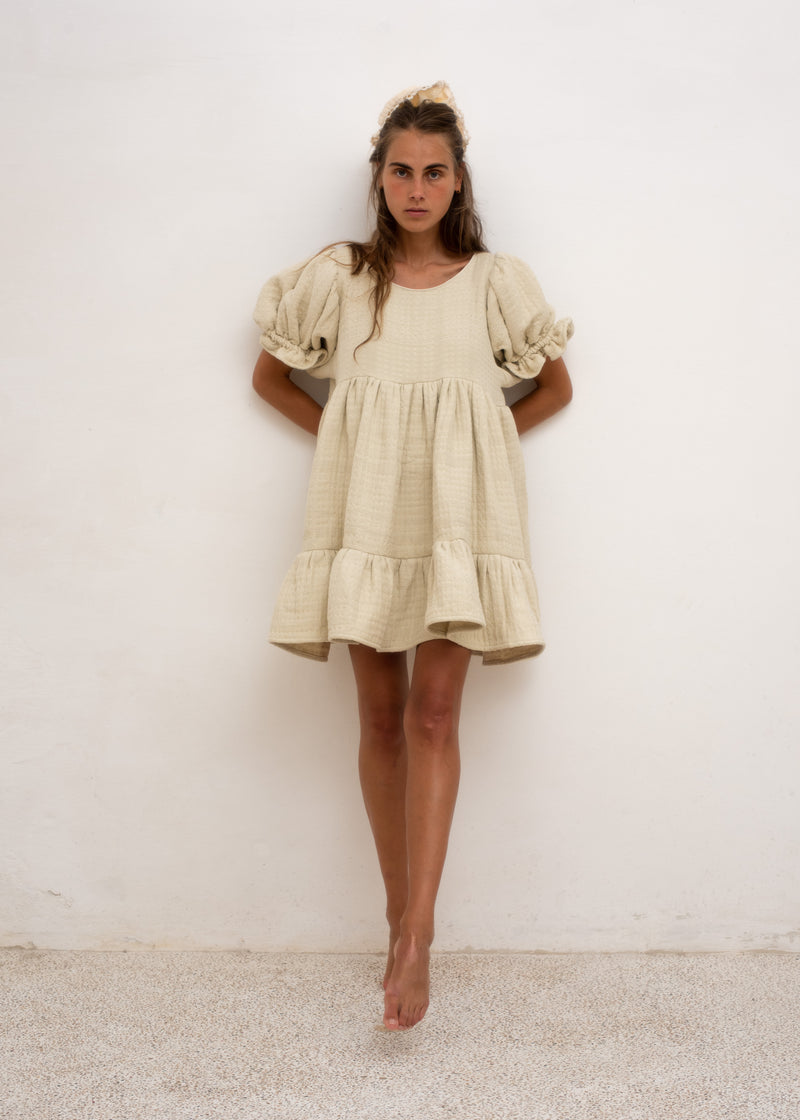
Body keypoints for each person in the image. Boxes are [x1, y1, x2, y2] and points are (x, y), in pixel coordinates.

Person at [251, 82, 573, 1031]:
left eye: (435, 172)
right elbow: (272, 376)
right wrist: (353, 443)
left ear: (458, 179)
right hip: (367, 519)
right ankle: (397, 917)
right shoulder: (342, 278)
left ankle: (420, 933)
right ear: (380, 178)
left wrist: (474, 451)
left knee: (435, 713)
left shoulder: (495, 283)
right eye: (402, 171)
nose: (418, 189)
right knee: (380, 716)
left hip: (458, 523)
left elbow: (554, 387)